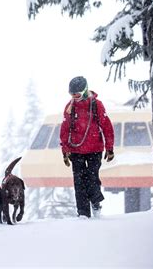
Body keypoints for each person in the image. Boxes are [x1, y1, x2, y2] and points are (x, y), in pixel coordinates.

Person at [60, 76, 114, 218]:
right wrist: (65, 150)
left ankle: (96, 204)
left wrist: (110, 148)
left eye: (76, 94)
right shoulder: (70, 107)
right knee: (79, 182)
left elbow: (106, 126)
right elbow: (65, 129)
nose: (74, 97)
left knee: (92, 178)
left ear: (84, 91)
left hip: (94, 149)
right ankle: (83, 213)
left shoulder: (96, 105)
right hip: (76, 150)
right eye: (71, 95)